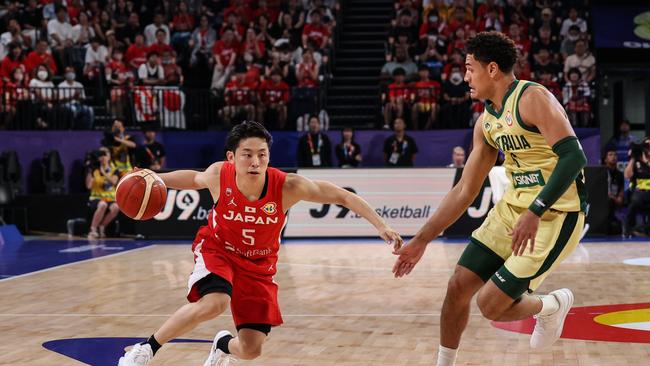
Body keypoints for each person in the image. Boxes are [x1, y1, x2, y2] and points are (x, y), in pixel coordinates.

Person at [118, 121, 403, 366]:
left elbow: (343, 196)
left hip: (258, 267)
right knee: (216, 302)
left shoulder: (289, 186)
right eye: (247, 155)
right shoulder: (220, 174)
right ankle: (146, 349)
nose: (255, 161)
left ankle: (221, 346)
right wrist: (154, 178)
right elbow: (193, 178)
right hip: (220, 250)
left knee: (251, 349)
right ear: (232, 157)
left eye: (262, 154)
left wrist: (382, 225)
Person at [393, 32, 587, 366]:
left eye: (470, 68)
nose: (465, 77)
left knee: (490, 304)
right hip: (513, 208)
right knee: (457, 286)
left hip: (557, 213)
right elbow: (465, 190)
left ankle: (552, 305)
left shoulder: (532, 98)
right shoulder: (486, 121)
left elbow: (574, 157)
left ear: (493, 69)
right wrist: (422, 239)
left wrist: (536, 210)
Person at [86, 147, 120, 239]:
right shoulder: (94, 170)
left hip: (110, 198)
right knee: (102, 205)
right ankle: (93, 229)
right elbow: (88, 186)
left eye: (105, 155)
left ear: (109, 156)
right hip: (96, 198)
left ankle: (102, 226)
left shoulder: (114, 170)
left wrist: (104, 173)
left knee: (116, 207)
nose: (103, 157)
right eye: (101, 155)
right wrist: (89, 170)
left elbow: (114, 182)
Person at [623, 138, 650, 237]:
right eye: (647, 146)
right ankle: (627, 230)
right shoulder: (637, 161)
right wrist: (633, 158)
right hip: (639, 193)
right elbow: (627, 175)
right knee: (634, 203)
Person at [603, 149, 624, 235]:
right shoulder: (602, 172)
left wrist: (620, 197)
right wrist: (614, 198)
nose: (613, 157)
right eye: (610, 155)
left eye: (615, 155)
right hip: (606, 198)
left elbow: (621, 188)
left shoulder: (619, 174)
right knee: (609, 202)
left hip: (616, 198)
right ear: (605, 159)